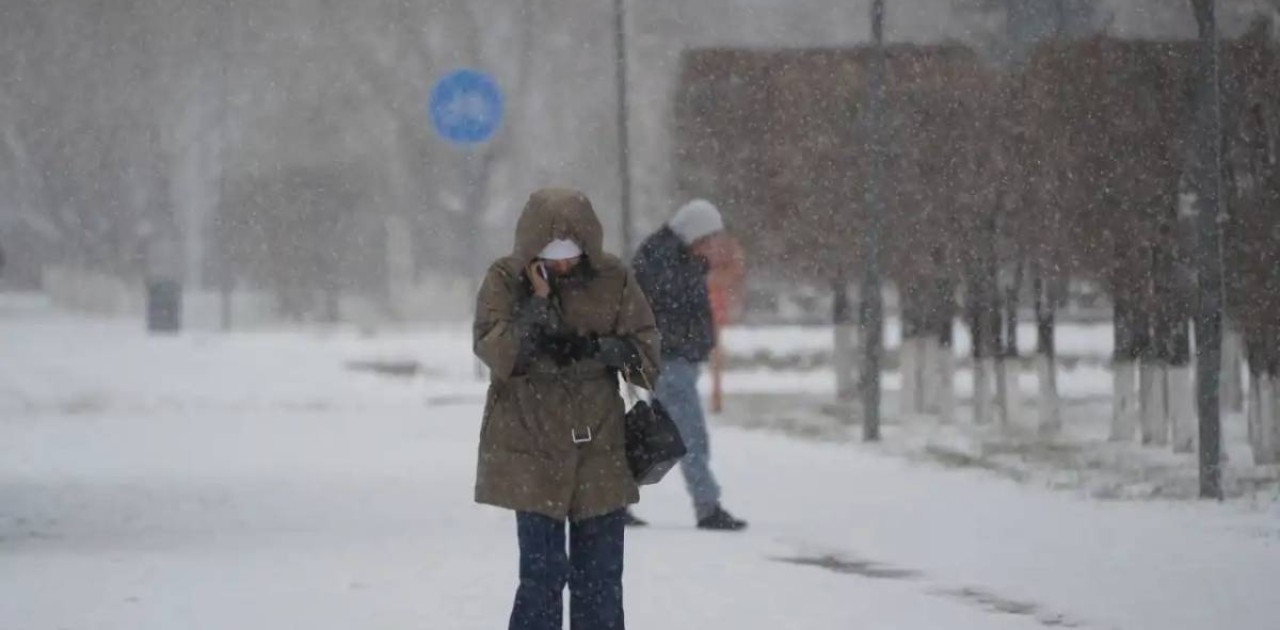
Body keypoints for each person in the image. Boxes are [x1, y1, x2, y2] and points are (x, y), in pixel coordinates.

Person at [473, 188, 660, 630]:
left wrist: (597, 349)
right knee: (542, 575)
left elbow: (646, 352)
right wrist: (537, 306)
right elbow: (494, 349)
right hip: (531, 443)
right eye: (551, 257)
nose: (561, 267)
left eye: (571, 256)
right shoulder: (504, 279)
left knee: (600, 578)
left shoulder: (614, 278)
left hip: (599, 445)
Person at [628, 199, 748, 532]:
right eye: (711, 239)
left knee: (655, 437)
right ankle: (707, 507)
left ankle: (612, 502)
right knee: (689, 435)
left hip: (669, 358)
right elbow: (670, 310)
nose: (715, 246)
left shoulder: (673, 257)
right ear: (695, 234)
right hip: (669, 361)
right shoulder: (668, 261)